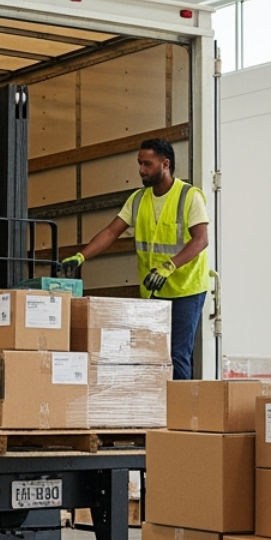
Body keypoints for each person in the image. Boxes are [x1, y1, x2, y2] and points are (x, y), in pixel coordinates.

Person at [62, 138, 210, 380]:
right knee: (151, 354)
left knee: (176, 353)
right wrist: (80, 257)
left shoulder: (189, 196)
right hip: (153, 290)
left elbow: (201, 239)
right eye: (140, 164)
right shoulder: (138, 199)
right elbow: (112, 232)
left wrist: (169, 266)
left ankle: (180, 413)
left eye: (147, 164)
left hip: (186, 290)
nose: (141, 170)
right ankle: (155, 409)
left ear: (165, 164)